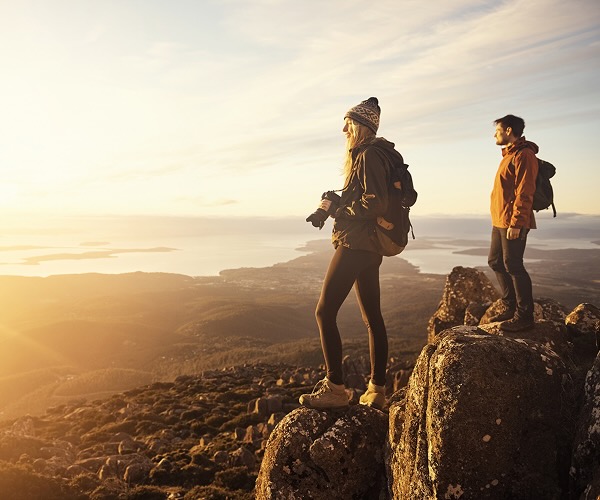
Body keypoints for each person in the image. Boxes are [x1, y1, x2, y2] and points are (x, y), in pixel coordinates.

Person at [299, 97, 398, 410]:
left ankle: (336, 388)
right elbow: (369, 199)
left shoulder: (368, 154)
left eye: (349, 123)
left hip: (356, 244)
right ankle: (377, 390)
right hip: (370, 246)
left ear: (362, 126)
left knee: (324, 312)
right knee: (373, 319)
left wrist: (341, 208)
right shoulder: (377, 154)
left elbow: (375, 203)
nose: (344, 129)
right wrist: (332, 204)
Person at [488, 114, 539, 332]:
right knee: (495, 261)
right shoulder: (507, 156)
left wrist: (517, 223)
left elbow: (525, 192)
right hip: (499, 220)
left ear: (509, 130)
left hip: (513, 222)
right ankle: (510, 306)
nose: (494, 134)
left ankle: (524, 316)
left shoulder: (524, 154)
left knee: (514, 265)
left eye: (497, 130)